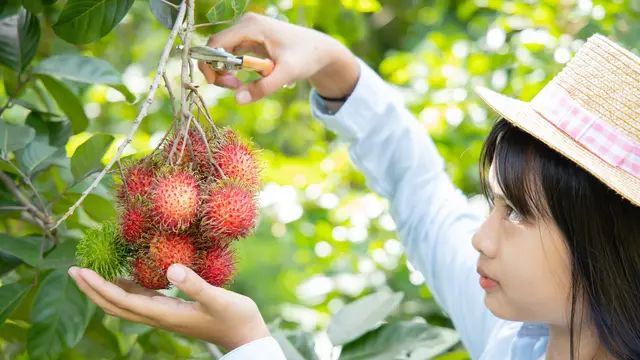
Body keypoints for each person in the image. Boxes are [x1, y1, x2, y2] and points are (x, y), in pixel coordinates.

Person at [68, 12, 640, 360]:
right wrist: (332, 63)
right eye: (493, 203)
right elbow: (423, 197)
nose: (478, 239)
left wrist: (246, 342)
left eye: (516, 214)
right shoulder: (523, 332)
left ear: (607, 243)